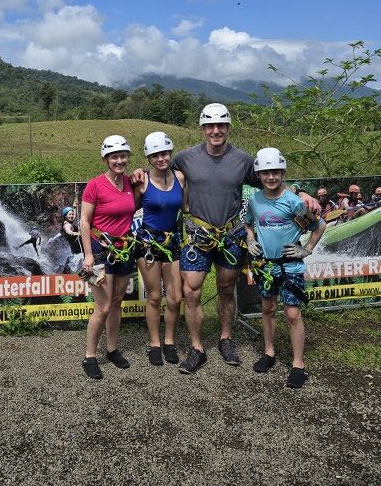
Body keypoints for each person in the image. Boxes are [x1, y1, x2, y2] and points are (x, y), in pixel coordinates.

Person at [131, 102, 319, 374]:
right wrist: (140, 172)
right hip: (198, 235)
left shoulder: (243, 160)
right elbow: (158, 165)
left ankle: (225, 338)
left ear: (228, 128)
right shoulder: (185, 158)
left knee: (226, 289)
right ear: (202, 128)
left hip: (231, 234)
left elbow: (272, 178)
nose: (216, 131)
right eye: (210, 126)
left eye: (221, 126)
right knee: (190, 291)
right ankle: (197, 348)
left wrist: (300, 192)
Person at [245, 147, 325, 389]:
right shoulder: (255, 201)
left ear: (283, 173)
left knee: (292, 314)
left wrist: (307, 249)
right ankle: (269, 352)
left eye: (276, 172)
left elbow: (319, 226)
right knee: (267, 308)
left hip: (290, 266)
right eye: (266, 172)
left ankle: (298, 364)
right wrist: (250, 240)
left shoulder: (292, 201)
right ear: (258, 175)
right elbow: (249, 223)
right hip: (267, 266)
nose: (271, 177)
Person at [80, 134, 137, 379]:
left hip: (123, 249)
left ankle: (112, 349)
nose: (119, 160)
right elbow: (84, 221)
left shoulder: (129, 183)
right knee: (102, 307)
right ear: (106, 159)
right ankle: (90, 355)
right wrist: (89, 255)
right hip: (101, 250)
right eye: (114, 156)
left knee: (116, 303)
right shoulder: (95, 185)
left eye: (123, 156)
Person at [134, 131, 185, 366]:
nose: (161, 159)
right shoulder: (142, 180)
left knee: (175, 298)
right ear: (148, 158)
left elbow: (187, 208)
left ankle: (169, 340)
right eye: (155, 155)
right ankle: (154, 343)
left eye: (165, 153)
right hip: (148, 243)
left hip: (172, 241)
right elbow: (128, 207)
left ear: (170, 153)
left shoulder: (180, 178)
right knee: (154, 297)